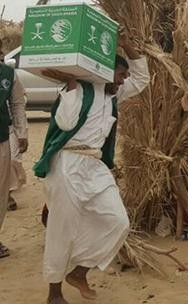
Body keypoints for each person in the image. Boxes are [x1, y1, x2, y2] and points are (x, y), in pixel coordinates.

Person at [35, 35, 149, 304]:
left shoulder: (113, 95)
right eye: (121, 75)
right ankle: (54, 293)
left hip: (95, 165)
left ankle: (79, 271)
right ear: (105, 72)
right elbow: (64, 124)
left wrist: (126, 45)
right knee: (61, 229)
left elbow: (142, 79)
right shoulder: (81, 90)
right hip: (67, 164)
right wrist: (72, 85)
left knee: (117, 221)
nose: (123, 81)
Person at [0, 50, 28, 259]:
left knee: (1, 193)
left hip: (2, 140)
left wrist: (22, 132)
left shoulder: (8, 74)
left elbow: (17, 104)